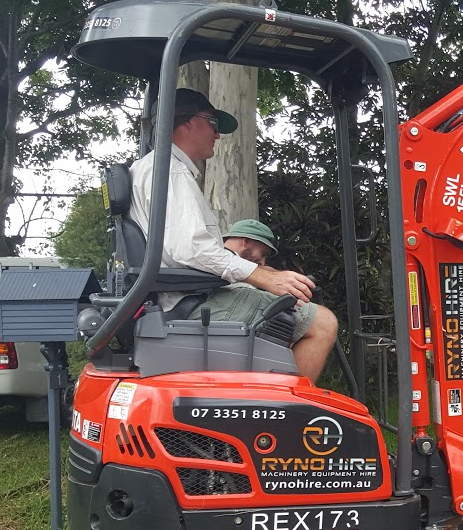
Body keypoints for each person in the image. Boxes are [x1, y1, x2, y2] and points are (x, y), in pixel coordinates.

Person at [129, 88, 339, 381]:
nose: (217, 135)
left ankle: (263, 396)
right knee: (323, 323)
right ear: (187, 122)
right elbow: (193, 250)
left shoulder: (149, 169)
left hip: (174, 299)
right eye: (212, 123)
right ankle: (285, 417)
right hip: (187, 304)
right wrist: (264, 277)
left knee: (284, 317)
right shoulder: (170, 173)